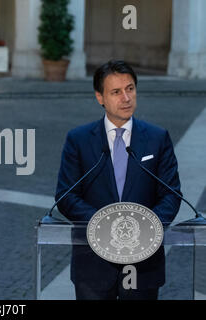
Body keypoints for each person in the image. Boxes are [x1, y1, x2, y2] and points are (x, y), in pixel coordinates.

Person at [55, 60, 181, 300]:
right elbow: (66, 196)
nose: (126, 98)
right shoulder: (78, 140)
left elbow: (171, 194)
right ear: (100, 97)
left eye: (130, 89)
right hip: (93, 265)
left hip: (143, 263)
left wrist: (145, 230)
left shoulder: (157, 138)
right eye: (116, 92)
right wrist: (105, 225)